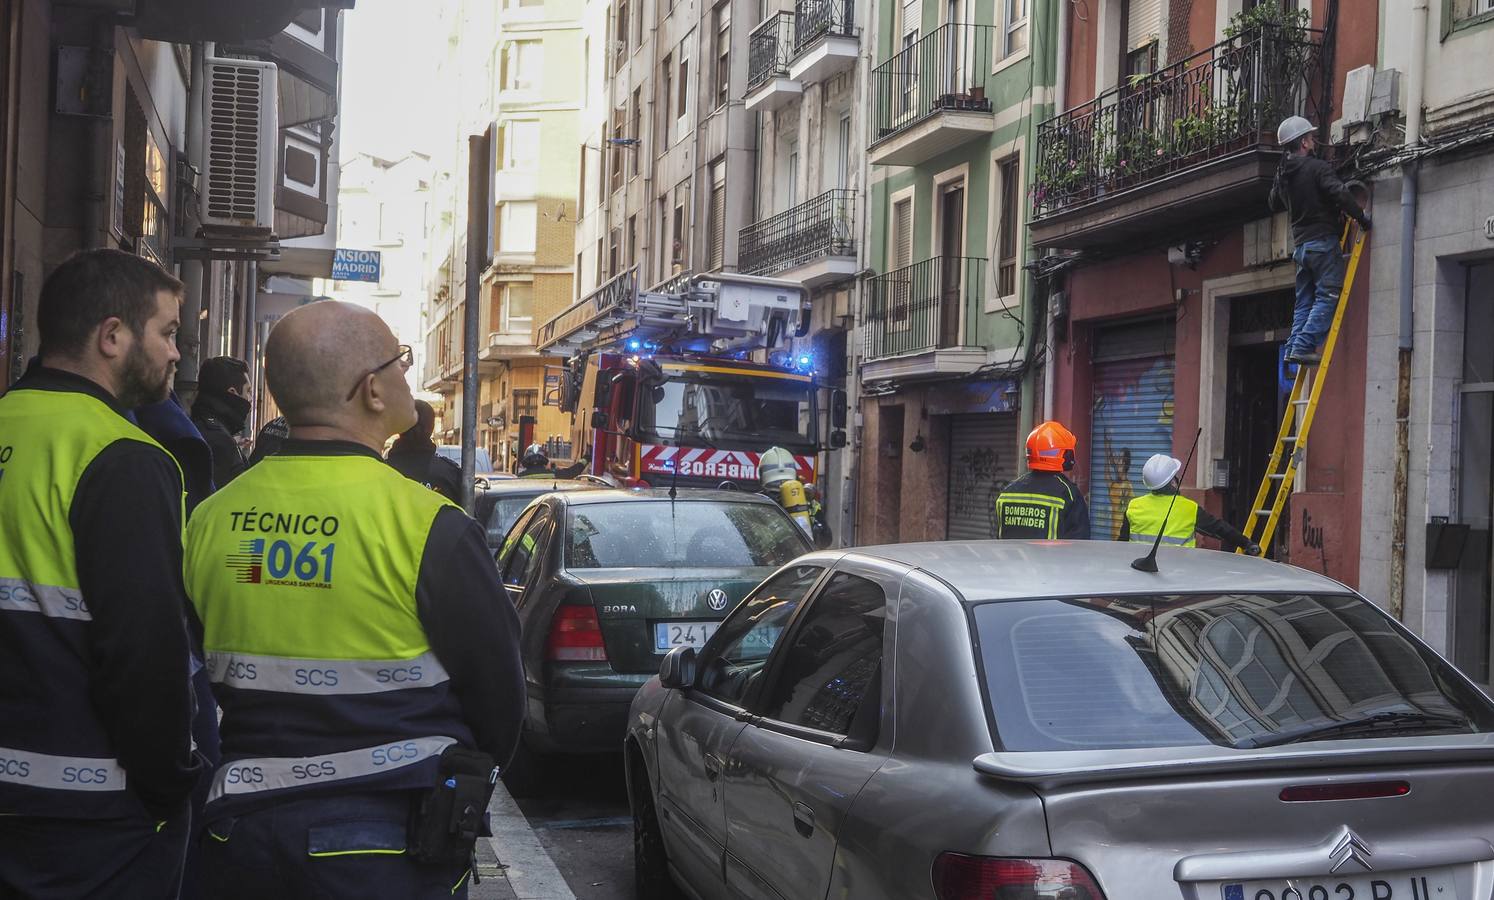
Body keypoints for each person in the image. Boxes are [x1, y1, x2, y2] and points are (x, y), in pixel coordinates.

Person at [182, 301, 525, 899]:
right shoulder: (428, 526)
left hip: (237, 838)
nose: (407, 378)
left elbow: (177, 679)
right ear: (370, 390)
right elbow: (501, 700)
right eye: (401, 362)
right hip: (390, 845)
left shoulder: (210, 520)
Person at [0, 248, 202, 896]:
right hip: (81, 812)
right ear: (111, 336)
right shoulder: (123, 457)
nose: (176, 355)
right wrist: (170, 785)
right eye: (167, 332)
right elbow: (145, 651)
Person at [1268, 115, 1372, 366]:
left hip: (1301, 248)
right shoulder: (1316, 168)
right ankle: (1303, 346)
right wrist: (1361, 218)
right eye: (1311, 138)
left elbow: (1273, 202)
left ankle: (1294, 346)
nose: (1313, 141)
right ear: (1303, 142)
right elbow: (1339, 193)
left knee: (1304, 301)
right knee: (1327, 295)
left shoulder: (1284, 175)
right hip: (1323, 243)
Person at [1121, 453, 1261, 555]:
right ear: (1173, 482)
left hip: (1141, 572)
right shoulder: (1188, 508)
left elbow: (1121, 543)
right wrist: (1246, 544)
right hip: (1179, 576)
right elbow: (1219, 528)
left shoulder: (1134, 506)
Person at [994, 420, 1091, 540]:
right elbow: (1079, 542)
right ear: (1064, 454)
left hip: (1013, 559)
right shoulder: (1068, 494)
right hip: (1050, 559)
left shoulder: (1007, 493)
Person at [191, 355, 251, 487]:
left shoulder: (194, 425)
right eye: (248, 391)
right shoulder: (221, 442)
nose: (250, 398)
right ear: (233, 393)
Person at [387, 398, 463, 502]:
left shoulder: (379, 472)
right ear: (431, 428)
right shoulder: (450, 475)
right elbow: (466, 515)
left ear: (400, 426)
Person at [516, 441, 588, 479]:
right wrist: (586, 458)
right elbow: (572, 472)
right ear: (545, 460)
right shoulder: (554, 474)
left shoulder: (518, 478)